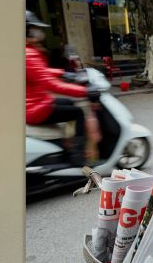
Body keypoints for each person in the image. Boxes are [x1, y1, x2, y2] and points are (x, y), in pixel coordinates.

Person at [24, 10, 98, 162]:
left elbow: (39, 72)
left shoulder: (28, 51)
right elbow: (50, 85)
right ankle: (77, 155)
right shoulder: (29, 54)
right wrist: (85, 91)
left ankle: (67, 141)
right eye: (35, 29)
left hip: (35, 103)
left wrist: (62, 73)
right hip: (36, 109)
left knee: (69, 103)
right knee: (78, 112)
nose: (39, 33)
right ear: (28, 31)